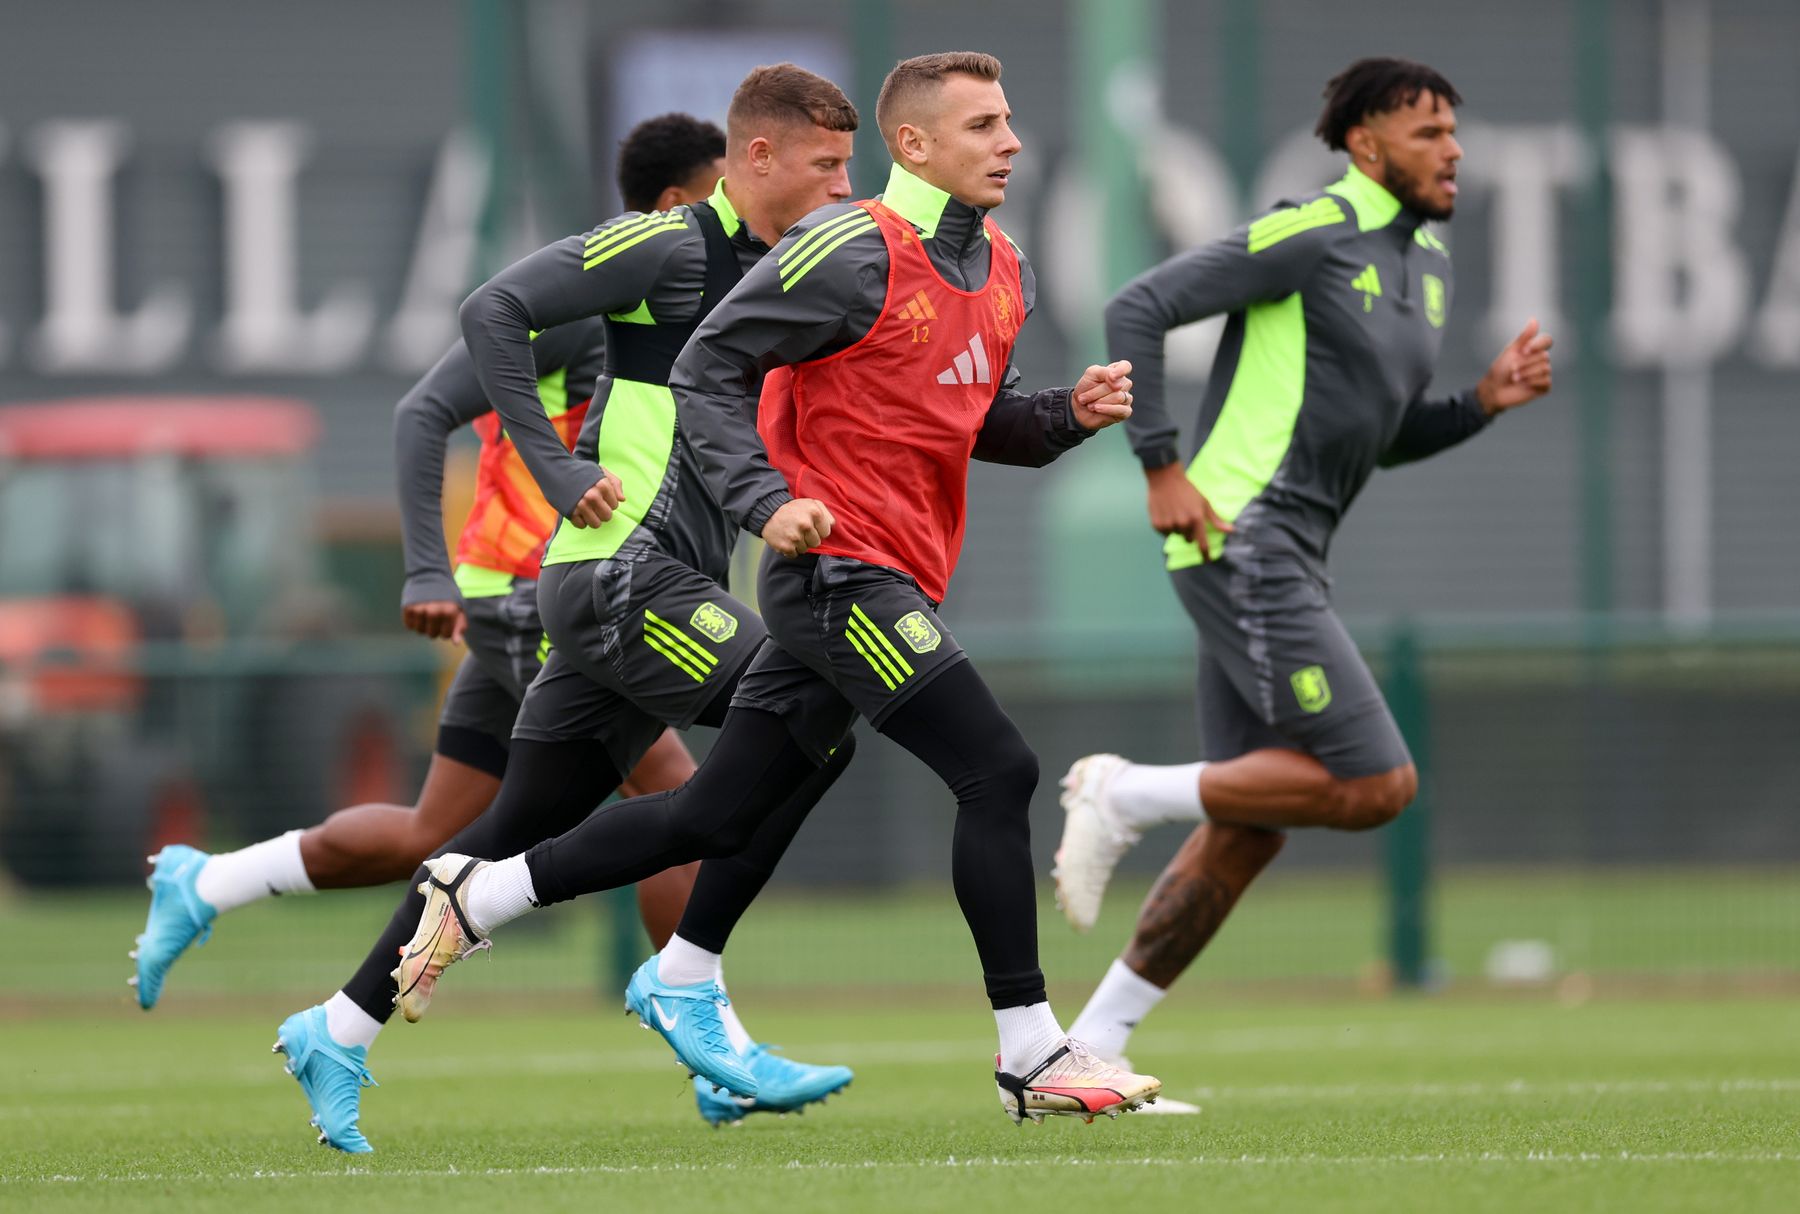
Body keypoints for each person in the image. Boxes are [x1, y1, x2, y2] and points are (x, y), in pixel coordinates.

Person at [397, 51, 1164, 1128]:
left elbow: (981, 422)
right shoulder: (845, 247)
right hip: (834, 575)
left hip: (897, 569)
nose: (1011, 142)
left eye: (1008, 121)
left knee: (716, 808)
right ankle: (1032, 1051)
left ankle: (484, 894)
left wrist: (1068, 415)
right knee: (998, 766)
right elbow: (711, 367)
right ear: (917, 145)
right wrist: (764, 504)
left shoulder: (1002, 266)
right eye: (985, 124)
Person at [267, 64, 864, 1153]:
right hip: (621, 571)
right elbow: (491, 306)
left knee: (500, 836)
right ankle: (689, 981)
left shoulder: (783, 273)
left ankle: (337, 1024)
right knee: (809, 710)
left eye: (850, 168)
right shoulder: (673, 245)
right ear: (758, 157)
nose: (841, 186)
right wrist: (545, 464)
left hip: (650, 586)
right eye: (826, 166)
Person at [131, 113, 732, 1012]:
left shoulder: (689, 317)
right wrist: (423, 570)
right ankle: (704, 1035)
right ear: (680, 204)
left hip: (548, 593)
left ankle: (212, 883)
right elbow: (423, 410)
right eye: (732, 189)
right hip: (536, 591)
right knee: (682, 796)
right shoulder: (596, 310)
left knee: (431, 825)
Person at [1051, 58, 1555, 1108]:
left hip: (1286, 549)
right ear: (1367, 143)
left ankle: (1082, 1053)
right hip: (1243, 534)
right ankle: (1122, 790)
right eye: (1427, 132)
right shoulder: (1312, 230)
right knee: (1378, 785)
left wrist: (1484, 401)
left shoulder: (1426, 265)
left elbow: (1383, 435)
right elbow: (1136, 304)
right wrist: (1160, 464)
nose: (1452, 147)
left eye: (1454, 130)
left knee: (1253, 820)